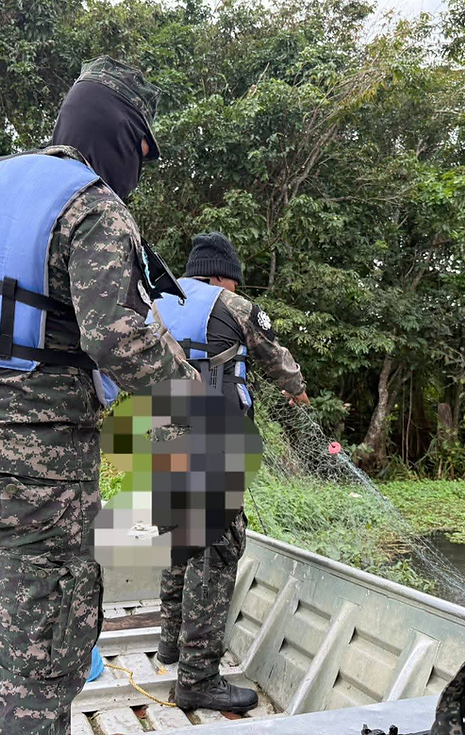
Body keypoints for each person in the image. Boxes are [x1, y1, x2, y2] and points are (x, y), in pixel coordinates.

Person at [0, 55, 197, 735]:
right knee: (38, 656)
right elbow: (120, 342)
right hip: (37, 485)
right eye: (142, 149)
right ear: (119, 134)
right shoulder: (94, 208)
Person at [152, 232, 309, 713]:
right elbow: (275, 359)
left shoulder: (156, 301)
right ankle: (198, 677)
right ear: (222, 276)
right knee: (216, 548)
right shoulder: (233, 306)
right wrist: (297, 392)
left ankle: (170, 645)